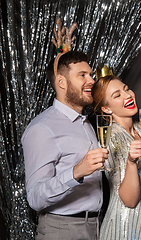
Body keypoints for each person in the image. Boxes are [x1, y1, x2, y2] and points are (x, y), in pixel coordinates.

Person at [22, 51, 108, 240]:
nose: (92, 81)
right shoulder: (42, 128)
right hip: (61, 229)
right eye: (82, 75)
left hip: (96, 227)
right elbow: (35, 197)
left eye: (91, 74)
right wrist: (75, 172)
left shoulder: (86, 122)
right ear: (61, 82)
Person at [91, 74, 141, 240]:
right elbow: (129, 200)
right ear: (107, 109)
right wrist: (131, 162)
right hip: (123, 229)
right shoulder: (111, 138)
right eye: (117, 95)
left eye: (126, 89)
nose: (128, 95)